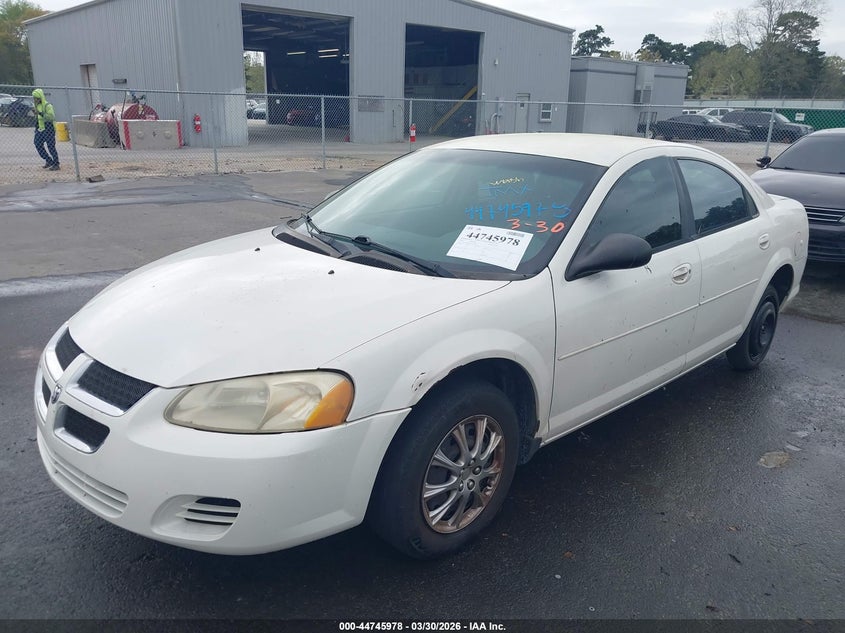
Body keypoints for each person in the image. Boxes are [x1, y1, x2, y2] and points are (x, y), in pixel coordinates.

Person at [32, 88, 60, 171]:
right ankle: (48, 160)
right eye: (34, 98)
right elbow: (37, 118)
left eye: (36, 98)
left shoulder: (47, 106)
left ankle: (56, 164)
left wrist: (40, 113)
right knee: (37, 144)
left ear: (40, 97)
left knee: (51, 146)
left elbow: (51, 117)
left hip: (48, 128)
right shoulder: (36, 106)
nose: (35, 100)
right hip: (40, 129)